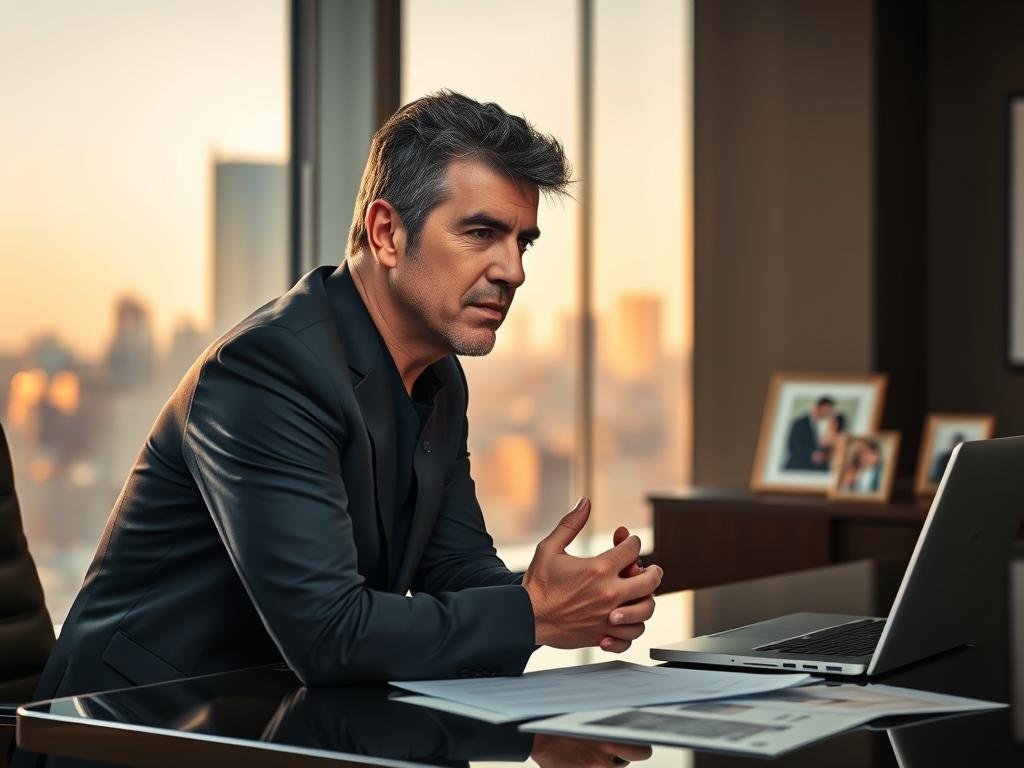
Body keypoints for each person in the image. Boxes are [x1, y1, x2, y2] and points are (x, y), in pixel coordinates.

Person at [28, 92, 663, 703]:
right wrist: (533, 615)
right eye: (480, 233)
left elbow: (457, 569)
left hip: (287, 720)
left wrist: (565, 597)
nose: (513, 270)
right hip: (134, 729)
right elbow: (330, 633)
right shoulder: (267, 368)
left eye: (521, 241)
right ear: (387, 232)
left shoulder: (438, 379)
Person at [784, 397, 835, 471]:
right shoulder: (800, 424)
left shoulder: (828, 425)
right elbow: (793, 446)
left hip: (818, 468)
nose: (827, 413)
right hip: (799, 466)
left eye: (829, 411)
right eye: (826, 410)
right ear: (818, 408)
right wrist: (812, 454)